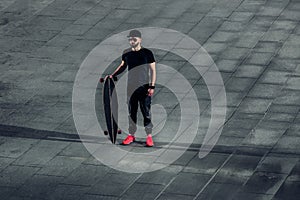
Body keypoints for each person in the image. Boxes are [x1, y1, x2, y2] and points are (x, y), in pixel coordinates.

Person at [109, 29, 156, 147]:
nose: (132, 41)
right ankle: (131, 135)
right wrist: (112, 75)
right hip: (131, 88)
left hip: (144, 88)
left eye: (134, 39)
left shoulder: (147, 53)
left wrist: (152, 86)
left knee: (146, 112)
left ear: (140, 39)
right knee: (132, 112)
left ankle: (149, 136)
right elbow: (122, 66)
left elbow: (153, 71)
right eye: (130, 39)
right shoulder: (126, 53)